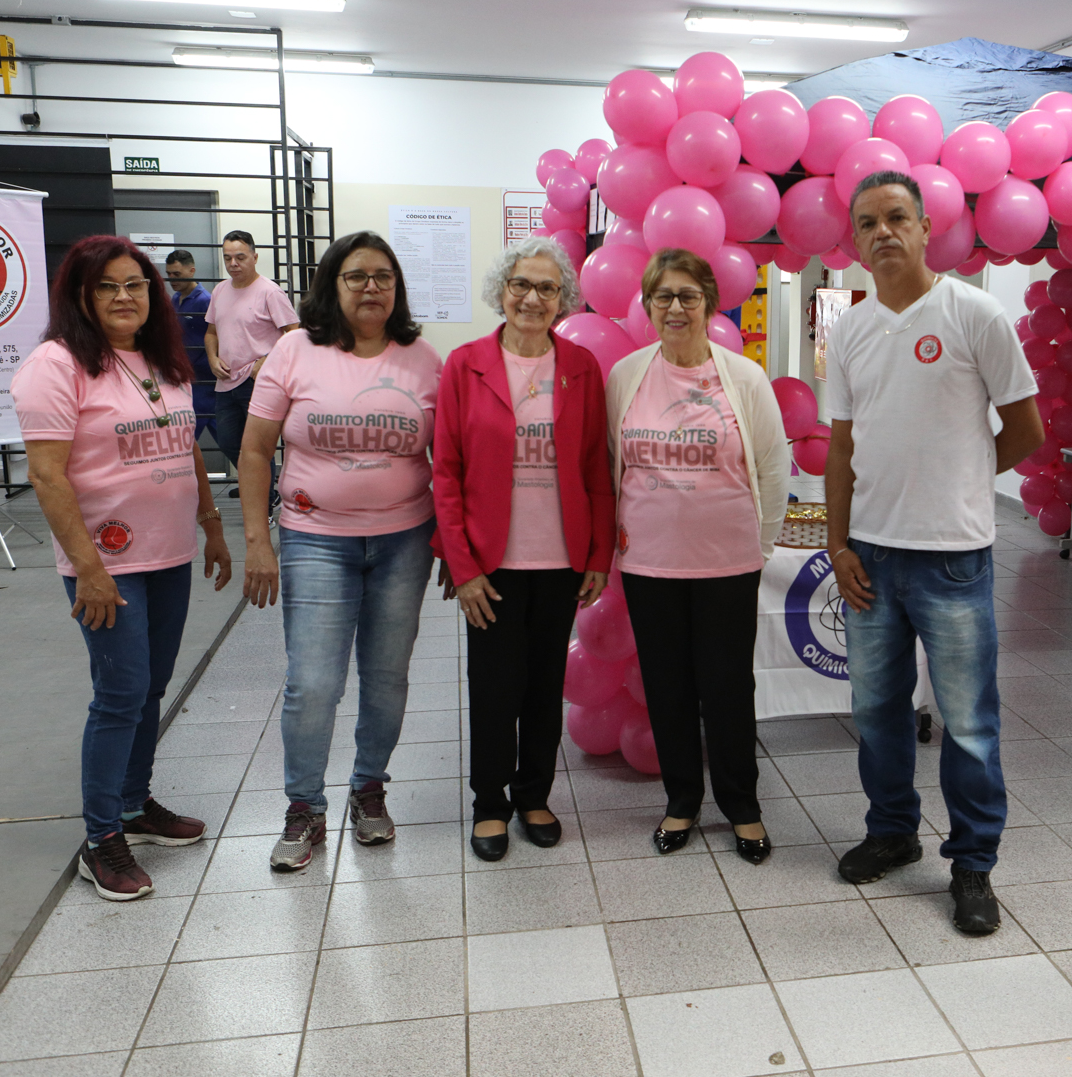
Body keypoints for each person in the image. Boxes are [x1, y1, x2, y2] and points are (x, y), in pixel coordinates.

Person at [826, 171, 1045, 934]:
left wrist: (964, 474)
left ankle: (972, 865)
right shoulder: (850, 328)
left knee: (968, 722)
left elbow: (1027, 429)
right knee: (876, 711)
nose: (881, 232)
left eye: (895, 218)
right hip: (870, 558)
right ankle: (891, 830)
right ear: (854, 240)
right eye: (866, 223)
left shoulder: (973, 313)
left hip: (953, 557)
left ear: (924, 228)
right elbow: (842, 443)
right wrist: (835, 541)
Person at [11, 236, 233, 901]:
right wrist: (89, 569)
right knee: (120, 691)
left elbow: (186, 444)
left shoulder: (160, 360)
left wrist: (213, 526)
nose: (123, 297)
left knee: (152, 686)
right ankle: (101, 836)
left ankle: (135, 806)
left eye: (135, 284)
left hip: (168, 554)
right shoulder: (55, 366)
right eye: (106, 286)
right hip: (106, 563)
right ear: (80, 294)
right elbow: (47, 475)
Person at [238, 231, 441, 871]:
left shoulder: (423, 359)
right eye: (356, 276)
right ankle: (305, 809)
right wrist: (257, 541)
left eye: (383, 276)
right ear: (333, 283)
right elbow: (254, 450)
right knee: (314, 682)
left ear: (397, 287)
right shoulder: (296, 350)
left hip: (404, 541)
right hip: (314, 539)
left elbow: (452, 459)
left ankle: (369, 790)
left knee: (385, 677)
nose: (371, 287)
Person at [432, 236, 615, 862]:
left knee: (544, 685)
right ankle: (490, 803)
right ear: (501, 292)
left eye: (546, 287)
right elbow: (446, 473)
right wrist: (462, 569)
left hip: (561, 559)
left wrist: (597, 555)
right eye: (520, 285)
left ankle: (534, 794)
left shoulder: (582, 367)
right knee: (493, 688)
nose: (532, 297)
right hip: (491, 564)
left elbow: (597, 465)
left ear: (562, 298)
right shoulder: (465, 364)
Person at [606, 249, 788, 864]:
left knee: (728, 687)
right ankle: (681, 800)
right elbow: (611, 464)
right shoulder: (626, 375)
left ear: (709, 304)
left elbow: (771, 465)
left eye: (688, 296)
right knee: (668, 687)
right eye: (664, 296)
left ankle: (743, 807)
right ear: (648, 305)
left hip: (728, 562)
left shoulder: (744, 378)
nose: (676, 307)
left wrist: (759, 547)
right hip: (648, 563)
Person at [205, 230, 298, 490]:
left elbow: (294, 333)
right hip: (226, 382)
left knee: (257, 446)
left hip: (257, 382)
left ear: (255, 257)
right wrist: (212, 358)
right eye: (228, 258)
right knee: (228, 442)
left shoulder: (270, 292)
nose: (233, 263)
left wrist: (267, 359)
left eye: (240, 257)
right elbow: (211, 333)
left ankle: (265, 502)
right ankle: (262, 487)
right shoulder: (220, 291)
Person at [165, 250, 217, 443]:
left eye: (176, 274)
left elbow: (216, 338)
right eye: (169, 274)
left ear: (192, 271)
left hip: (205, 381)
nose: (171, 279)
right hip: (187, 379)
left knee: (184, 441)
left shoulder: (205, 301)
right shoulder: (175, 299)